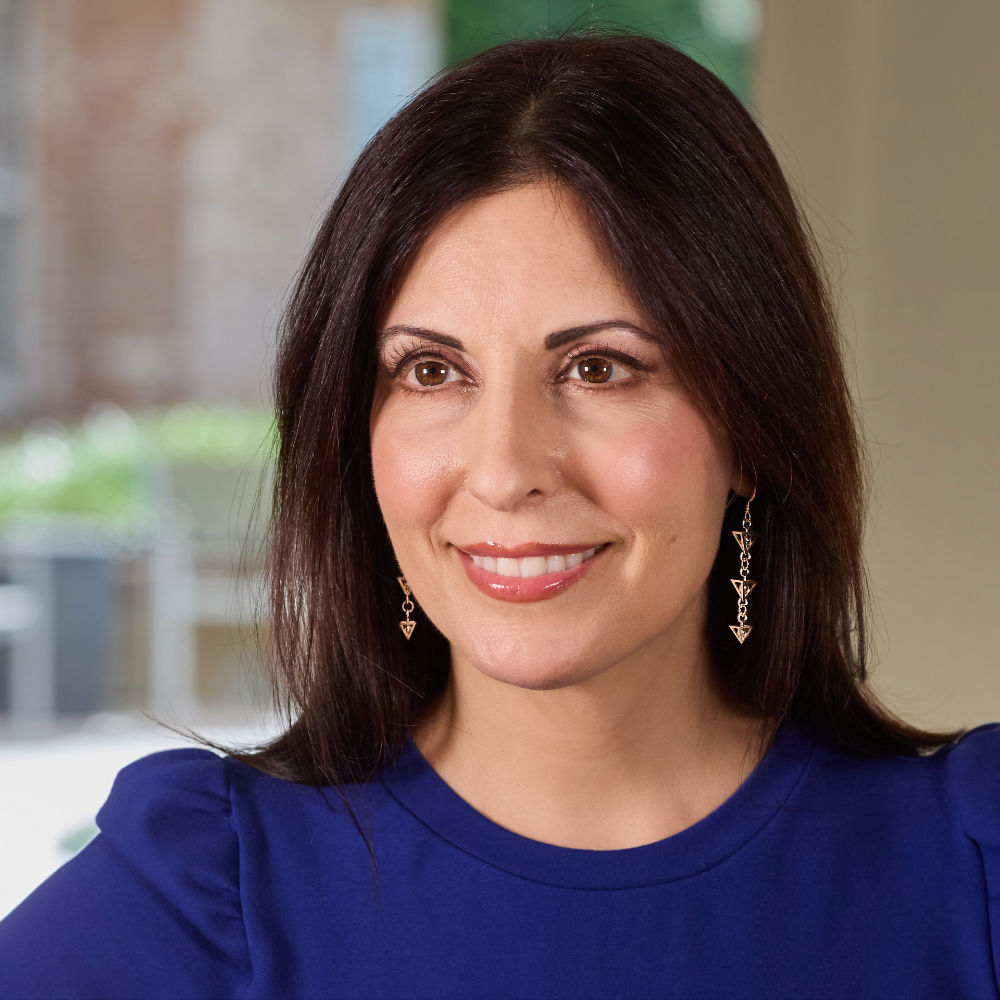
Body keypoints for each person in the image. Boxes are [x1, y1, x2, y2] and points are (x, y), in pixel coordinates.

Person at [1, 28, 998, 1000]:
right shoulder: (211, 893)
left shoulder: (971, 869)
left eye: (599, 368)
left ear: (749, 424)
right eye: (432, 371)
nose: (504, 469)